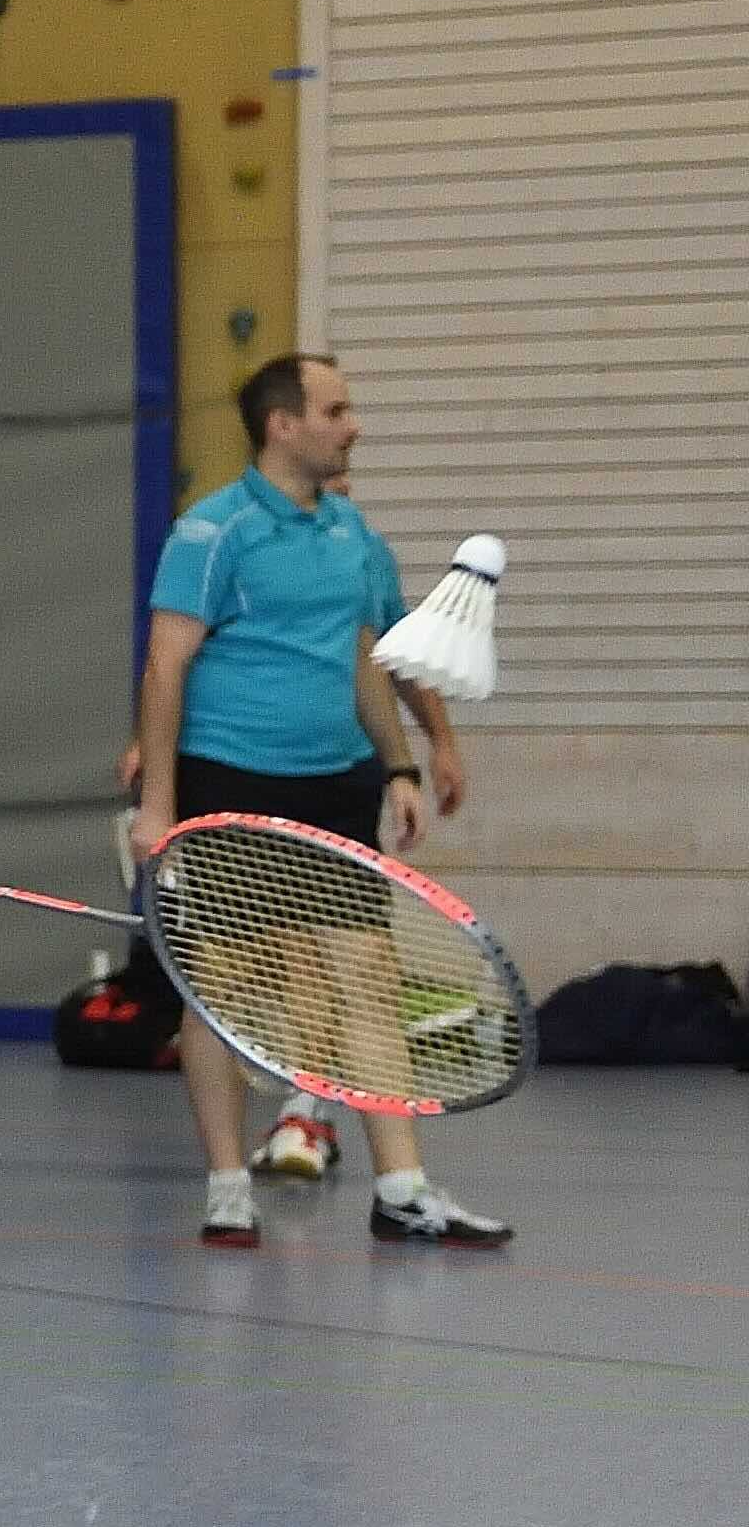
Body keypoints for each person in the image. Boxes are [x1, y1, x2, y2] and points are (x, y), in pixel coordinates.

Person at [129, 354, 511, 1248]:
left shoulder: (353, 534)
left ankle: (403, 1190)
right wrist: (158, 802)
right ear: (283, 424)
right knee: (221, 989)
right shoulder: (213, 530)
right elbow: (165, 665)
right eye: (336, 410)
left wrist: (420, 756)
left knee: (367, 976)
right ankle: (229, 1186)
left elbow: (380, 650)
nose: (353, 425)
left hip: (337, 783)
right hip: (231, 781)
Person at [240, 467, 474, 1181]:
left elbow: (391, 652)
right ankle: (304, 1109)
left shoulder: (363, 550)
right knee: (291, 954)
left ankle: (311, 1116)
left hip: (339, 776)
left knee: (353, 957)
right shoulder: (235, 536)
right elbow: (187, 654)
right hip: (253, 767)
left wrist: (433, 746)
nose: (339, 471)